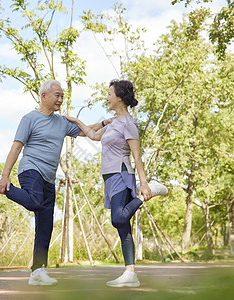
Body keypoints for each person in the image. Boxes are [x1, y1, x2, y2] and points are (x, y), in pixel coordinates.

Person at [0, 79, 110, 286]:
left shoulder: (61, 122)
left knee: (45, 226)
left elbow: (86, 132)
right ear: (44, 96)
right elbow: (16, 147)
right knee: (35, 201)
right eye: (57, 95)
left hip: (49, 177)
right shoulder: (29, 118)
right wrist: (4, 176)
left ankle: (37, 271)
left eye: (62, 96)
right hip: (31, 170)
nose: (60, 99)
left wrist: (103, 123)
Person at [64, 79, 167, 288]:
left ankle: (146, 195)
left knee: (118, 218)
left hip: (121, 173)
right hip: (109, 177)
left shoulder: (129, 123)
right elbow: (92, 135)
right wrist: (76, 121)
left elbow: (137, 156)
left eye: (109, 93)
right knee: (123, 227)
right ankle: (130, 274)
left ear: (119, 97)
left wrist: (144, 183)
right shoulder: (113, 122)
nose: (107, 97)